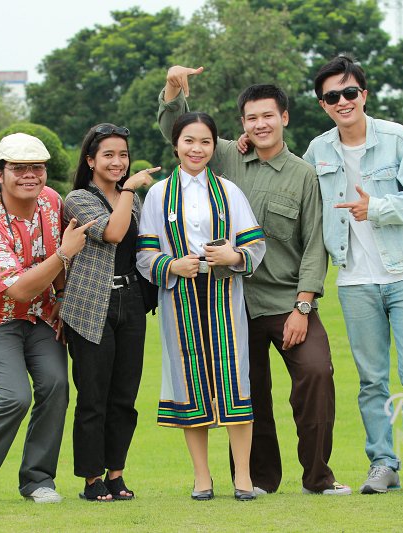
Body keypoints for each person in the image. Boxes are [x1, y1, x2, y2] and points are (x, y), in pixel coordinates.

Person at [158, 67, 350, 496]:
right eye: (250, 118)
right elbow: (184, 132)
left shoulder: (303, 174)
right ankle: (258, 480)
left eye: (267, 116)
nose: (259, 125)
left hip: (285, 302)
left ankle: (318, 477)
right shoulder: (225, 156)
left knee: (316, 375)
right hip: (230, 302)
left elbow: (315, 244)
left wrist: (303, 306)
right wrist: (173, 89)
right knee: (248, 391)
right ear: (241, 124)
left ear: (284, 117)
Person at [303, 54, 403, 496]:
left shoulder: (399, 139)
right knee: (371, 379)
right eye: (332, 96)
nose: (342, 101)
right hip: (355, 280)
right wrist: (248, 144)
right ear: (323, 104)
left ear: (364, 94)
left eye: (349, 92)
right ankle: (382, 462)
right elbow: (294, 185)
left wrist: (375, 208)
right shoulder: (318, 151)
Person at [0, 133, 95, 507]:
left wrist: (62, 296)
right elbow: (18, 290)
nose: (29, 175)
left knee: (56, 386)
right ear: (1, 174)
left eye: (37, 168)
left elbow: (56, 269)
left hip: (40, 318)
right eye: (18, 168)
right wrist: (64, 254)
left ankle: (37, 479)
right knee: (13, 396)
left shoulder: (51, 202)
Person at [138, 111, 265, 501]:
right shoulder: (159, 195)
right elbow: (145, 255)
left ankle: (242, 476)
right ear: (176, 145)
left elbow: (255, 244)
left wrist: (233, 255)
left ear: (215, 145)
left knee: (234, 379)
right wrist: (172, 264)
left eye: (205, 142)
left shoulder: (229, 191)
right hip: (180, 297)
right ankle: (202, 477)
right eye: (189, 141)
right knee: (189, 382)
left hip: (225, 296)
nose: (197, 149)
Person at [61, 124, 159, 502]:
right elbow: (114, 234)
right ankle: (91, 479)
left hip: (131, 301)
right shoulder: (78, 200)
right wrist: (131, 189)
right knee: (93, 396)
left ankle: (116, 473)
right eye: (108, 155)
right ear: (90, 160)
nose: (118, 162)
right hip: (90, 307)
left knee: (124, 396)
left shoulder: (130, 198)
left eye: (123, 154)